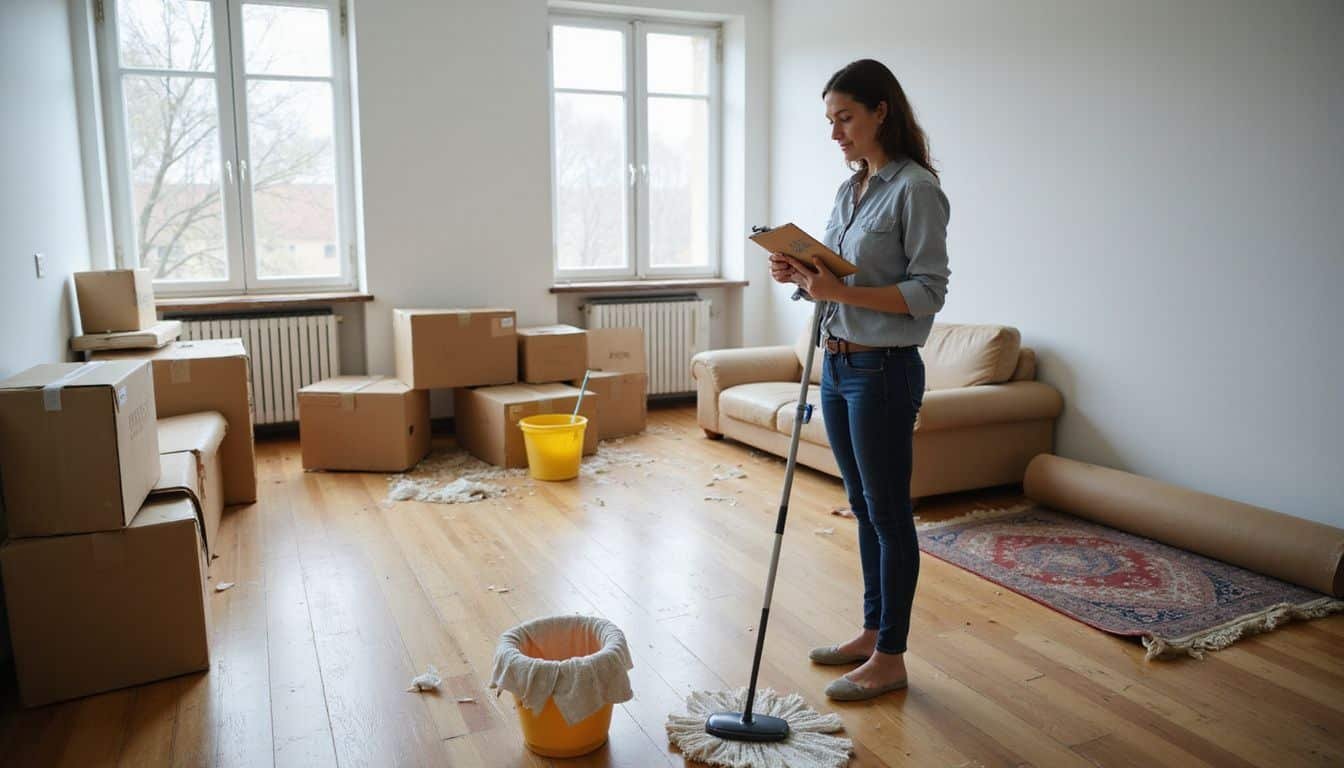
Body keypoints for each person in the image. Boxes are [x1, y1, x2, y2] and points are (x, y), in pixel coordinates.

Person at [769, 58, 950, 701]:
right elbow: (840, 279)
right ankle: (872, 632)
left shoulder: (916, 189)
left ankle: (892, 657)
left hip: (883, 370)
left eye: (845, 117)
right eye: (829, 120)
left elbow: (927, 292)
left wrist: (842, 289)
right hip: (838, 363)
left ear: (880, 111)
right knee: (864, 511)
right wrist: (803, 278)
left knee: (890, 514)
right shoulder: (852, 191)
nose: (836, 131)